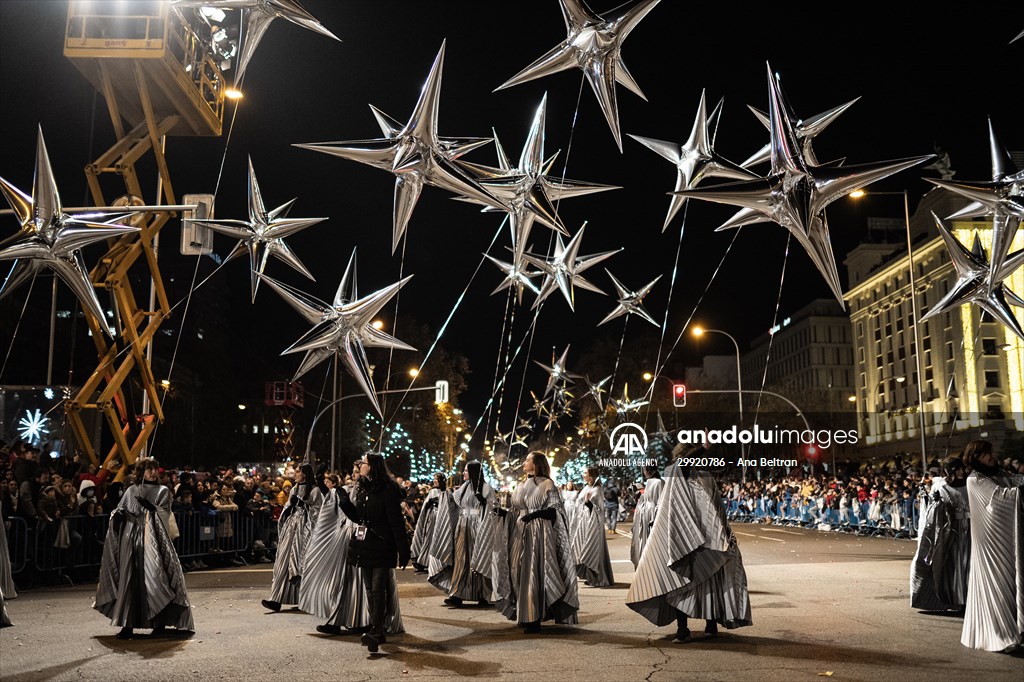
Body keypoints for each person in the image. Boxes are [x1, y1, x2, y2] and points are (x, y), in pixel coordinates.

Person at [626, 443, 752, 643]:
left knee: (705, 582)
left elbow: (717, 508)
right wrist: (703, 447)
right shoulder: (673, 473)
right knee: (680, 583)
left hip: (705, 539)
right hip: (681, 537)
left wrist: (725, 533)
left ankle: (708, 625)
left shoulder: (704, 477)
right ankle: (683, 628)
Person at [93, 457, 194, 639]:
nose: (152, 473)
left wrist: (153, 509)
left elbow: (165, 514)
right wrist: (119, 515)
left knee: (157, 577)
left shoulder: (163, 491)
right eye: (148, 469)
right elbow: (119, 510)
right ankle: (127, 624)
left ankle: (160, 622)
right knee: (129, 579)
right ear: (141, 472)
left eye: (154, 469)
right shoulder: (131, 490)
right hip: (130, 538)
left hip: (155, 539)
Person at [300, 464, 404, 639]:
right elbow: (335, 501)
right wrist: (321, 484)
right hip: (352, 541)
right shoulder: (350, 489)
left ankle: (366, 622)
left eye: (358, 471)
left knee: (368, 587)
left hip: (370, 541)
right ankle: (338, 620)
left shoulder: (378, 491)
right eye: (354, 471)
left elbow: (391, 508)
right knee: (344, 583)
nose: (354, 475)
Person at [335, 452, 410, 653]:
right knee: (369, 589)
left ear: (373, 466)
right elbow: (359, 518)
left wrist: (403, 550)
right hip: (365, 543)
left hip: (382, 544)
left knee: (377, 589)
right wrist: (344, 503)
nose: (361, 465)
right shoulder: (363, 487)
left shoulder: (386, 490)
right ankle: (376, 628)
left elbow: (396, 522)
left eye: (364, 463)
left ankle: (377, 631)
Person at [496, 451, 578, 633]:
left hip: (539, 533)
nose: (524, 462)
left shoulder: (548, 484)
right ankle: (523, 612)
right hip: (519, 533)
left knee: (534, 572)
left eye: (527, 460)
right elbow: (515, 510)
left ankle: (533, 617)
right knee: (517, 571)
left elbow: (555, 511)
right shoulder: (521, 485)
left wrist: (535, 515)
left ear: (537, 463)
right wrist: (504, 514)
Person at [959, 440, 1023, 653]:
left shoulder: (996, 472)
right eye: (987, 453)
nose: (992, 455)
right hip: (989, 542)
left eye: (991, 452)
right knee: (997, 584)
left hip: (1005, 538)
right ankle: (1002, 635)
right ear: (976, 456)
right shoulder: (974, 480)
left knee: (1010, 582)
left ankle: (1015, 629)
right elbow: (998, 498)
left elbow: (1015, 482)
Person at [428, 460, 500, 607]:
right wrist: (443, 490)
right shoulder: (463, 488)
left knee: (478, 559)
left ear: (473, 472)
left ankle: (483, 594)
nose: (463, 473)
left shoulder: (486, 488)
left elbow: (494, 509)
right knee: (460, 560)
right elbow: (453, 502)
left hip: (478, 527)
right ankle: (456, 594)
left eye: (466, 471)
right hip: (462, 527)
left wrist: (484, 503)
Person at [910, 455, 970, 612]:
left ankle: (967, 598)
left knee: (967, 564)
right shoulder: (941, 486)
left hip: (969, 530)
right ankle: (956, 599)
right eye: (957, 469)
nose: (961, 472)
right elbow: (932, 510)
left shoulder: (970, 484)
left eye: (962, 468)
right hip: (951, 531)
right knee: (953, 564)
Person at [261, 463, 323, 612]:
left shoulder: (315, 491)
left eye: (297, 471)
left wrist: (304, 505)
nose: (295, 474)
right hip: (291, 527)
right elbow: (288, 506)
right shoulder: (294, 488)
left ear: (305, 474)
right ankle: (276, 598)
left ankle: (304, 598)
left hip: (304, 530)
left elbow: (318, 511)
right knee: (282, 561)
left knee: (300, 562)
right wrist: (291, 507)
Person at [572, 467, 614, 587]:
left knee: (591, 549)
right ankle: (589, 575)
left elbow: (600, 509)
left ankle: (597, 578)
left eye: (585, 473)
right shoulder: (587, 487)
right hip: (583, 522)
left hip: (593, 524)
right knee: (580, 547)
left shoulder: (597, 489)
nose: (583, 475)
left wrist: (589, 503)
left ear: (592, 476)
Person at [410, 473, 446, 573]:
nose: (434, 480)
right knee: (428, 539)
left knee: (434, 539)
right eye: (434, 479)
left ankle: (429, 562)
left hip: (439, 519)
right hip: (432, 518)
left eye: (436, 479)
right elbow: (426, 506)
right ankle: (424, 561)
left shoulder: (445, 492)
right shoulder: (433, 491)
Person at [630, 465, 664, 568]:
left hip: (651, 516)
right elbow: (644, 499)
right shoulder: (650, 482)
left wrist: (655, 517)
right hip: (644, 516)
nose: (644, 472)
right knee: (643, 543)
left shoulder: (658, 482)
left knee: (649, 544)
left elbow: (660, 501)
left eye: (645, 470)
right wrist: (637, 494)